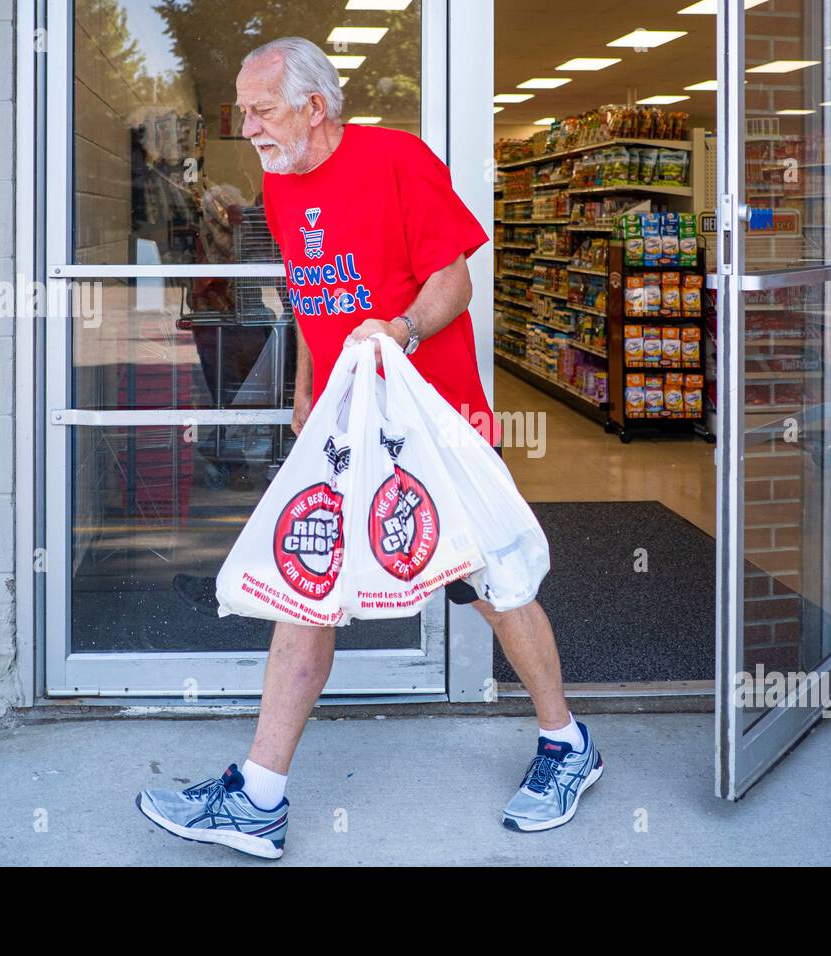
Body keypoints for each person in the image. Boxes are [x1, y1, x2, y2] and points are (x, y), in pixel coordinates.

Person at [135, 37, 602, 860]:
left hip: (434, 419)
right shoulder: (279, 187)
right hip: (344, 428)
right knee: (303, 586)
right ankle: (260, 796)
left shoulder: (397, 160)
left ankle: (568, 744)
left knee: (494, 584)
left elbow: (453, 280)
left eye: (261, 109)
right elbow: (312, 293)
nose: (248, 127)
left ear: (315, 106)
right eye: (246, 111)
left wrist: (404, 329)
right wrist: (305, 389)